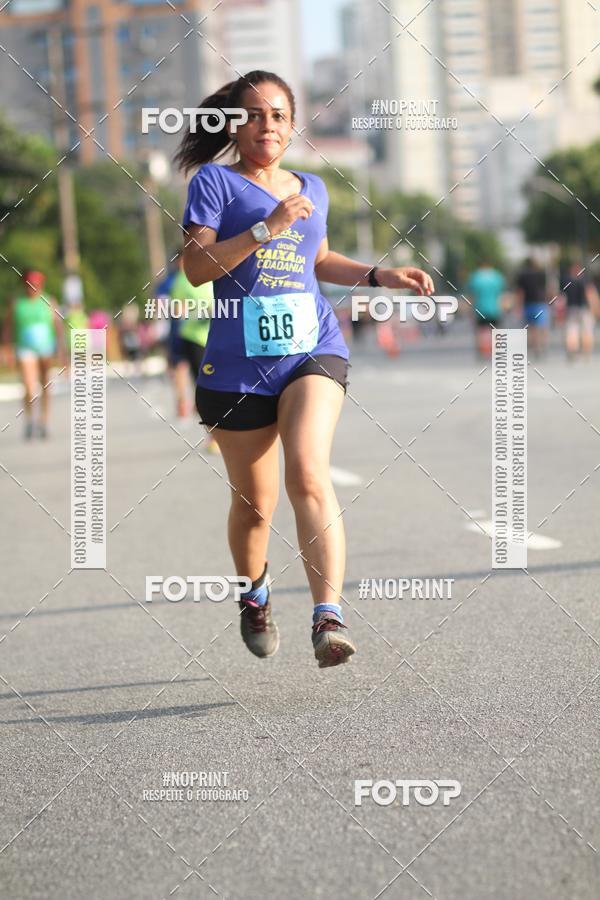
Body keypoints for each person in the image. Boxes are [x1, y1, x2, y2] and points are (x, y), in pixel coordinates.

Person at [175, 70, 434, 668]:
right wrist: (266, 227)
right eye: (253, 115)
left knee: (309, 473)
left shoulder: (312, 186)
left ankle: (328, 617)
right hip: (237, 368)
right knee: (254, 506)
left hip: (311, 348)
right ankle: (255, 595)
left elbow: (316, 260)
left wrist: (379, 275)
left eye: (278, 116)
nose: (267, 126)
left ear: (292, 126)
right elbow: (196, 267)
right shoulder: (214, 182)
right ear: (233, 125)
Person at [3, 270, 63, 439]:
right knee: (29, 386)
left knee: (45, 385)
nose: (33, 288)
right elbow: (7, 327)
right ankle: (30, 419)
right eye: (29, 285)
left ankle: (44, 420)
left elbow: (58, 327)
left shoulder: (49, 301)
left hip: (46, 349)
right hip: (25, 349)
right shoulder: (17, 303)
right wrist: (6, 348)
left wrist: (62, 351)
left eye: (36, 285)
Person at [464, 261, 505, 358]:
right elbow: (501, 294)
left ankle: (481, 351)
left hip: (480, 308)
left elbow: (471, 295)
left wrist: (469, 309)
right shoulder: (496, 276)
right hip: (494, 308)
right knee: (495, 330)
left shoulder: (475, 277)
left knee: (480, 330)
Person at [562, 261, 599, 360]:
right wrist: (595, 308)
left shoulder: (567, 281)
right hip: (585, 309)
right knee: (587, 331)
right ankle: (586, 353)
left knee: (572, 331)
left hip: (572, 309)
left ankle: (572, 351)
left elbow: (562, 297)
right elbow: (590, 294)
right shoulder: (585, 280)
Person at [515, 257, 549, 356]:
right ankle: (542, 344)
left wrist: (519, 306)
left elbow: (520, 292)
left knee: (532, 327)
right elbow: (546, 290)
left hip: (528, 304)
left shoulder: (522, 276)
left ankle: (535, 346)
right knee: (542, 326)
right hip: (541, 303)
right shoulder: (542, 274)